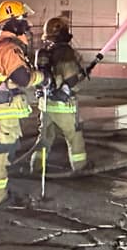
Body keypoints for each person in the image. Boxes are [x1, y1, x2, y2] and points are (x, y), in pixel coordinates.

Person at [0, 0, 44, 208]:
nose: (27, 25)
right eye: (23, 19)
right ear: (12, 23)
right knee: (3, 152)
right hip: (5, 109)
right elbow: (23, 78)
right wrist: (42, 77)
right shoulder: (8, 48)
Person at [35, 16, 92, 173]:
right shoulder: (66, 53)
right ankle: (80, 168)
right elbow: (71, 77)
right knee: (74, 137)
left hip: (46, 104)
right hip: (64, 106)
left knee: (45, 137)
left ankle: (36, 166)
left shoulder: (45, 53)